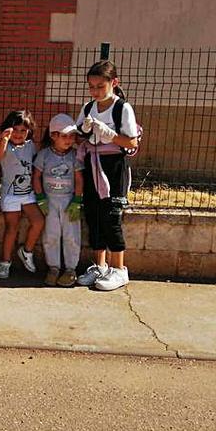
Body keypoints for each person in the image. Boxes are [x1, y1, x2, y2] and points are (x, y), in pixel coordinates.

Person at [75, 60, 139, 291]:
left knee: (111, 217)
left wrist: (110, 134)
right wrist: (83, 131)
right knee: (93, 215)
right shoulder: (89, 107)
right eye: (91, 87)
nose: (95, 91)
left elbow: (131, 142)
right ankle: (100, 266)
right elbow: (78, 136)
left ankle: (119, 269)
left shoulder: (123, 108)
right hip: (92, 163)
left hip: (113, 167)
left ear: (114, 83)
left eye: (100, 86)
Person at [33, 114, 83, 287]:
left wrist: (77, 200)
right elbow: (36, 176)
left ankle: (70, 269)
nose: (69, 140)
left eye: (72, 136)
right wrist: (40, 199)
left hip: (69, 201)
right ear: (53, 136)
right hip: (50, 202)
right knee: (51, 235)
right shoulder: (44, 155)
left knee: (71, 236)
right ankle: (53, 268)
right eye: (64, 136)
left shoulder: (75, 156)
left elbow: (79, 179)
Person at [0, 110, 44, 279]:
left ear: (29, 131)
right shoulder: (4, 145)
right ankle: (5, 262)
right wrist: (4, 138)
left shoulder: (31, 146)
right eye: (15, 129)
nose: (18, 134)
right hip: (10, 194)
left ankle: (26, 251)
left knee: (38, 221)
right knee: (11, 228)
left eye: (23, 130)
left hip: (28, 193)